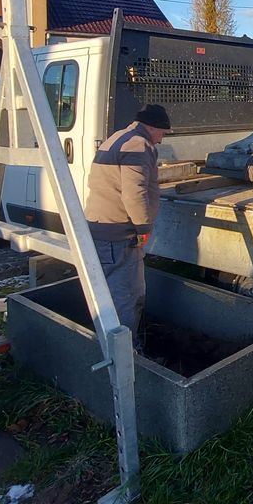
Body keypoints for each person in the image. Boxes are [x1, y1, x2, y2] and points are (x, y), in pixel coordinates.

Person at [84, 103, 172, 341]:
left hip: (102, 227)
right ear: (152, 127)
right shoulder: (137, 144)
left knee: (110, 293)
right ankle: (124, 356)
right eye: (162, 133)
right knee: (125, 297)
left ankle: (110, 346)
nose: (161, 140)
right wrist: (144, 227)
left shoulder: (119, 137)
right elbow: (135, 192)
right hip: (117, 234)